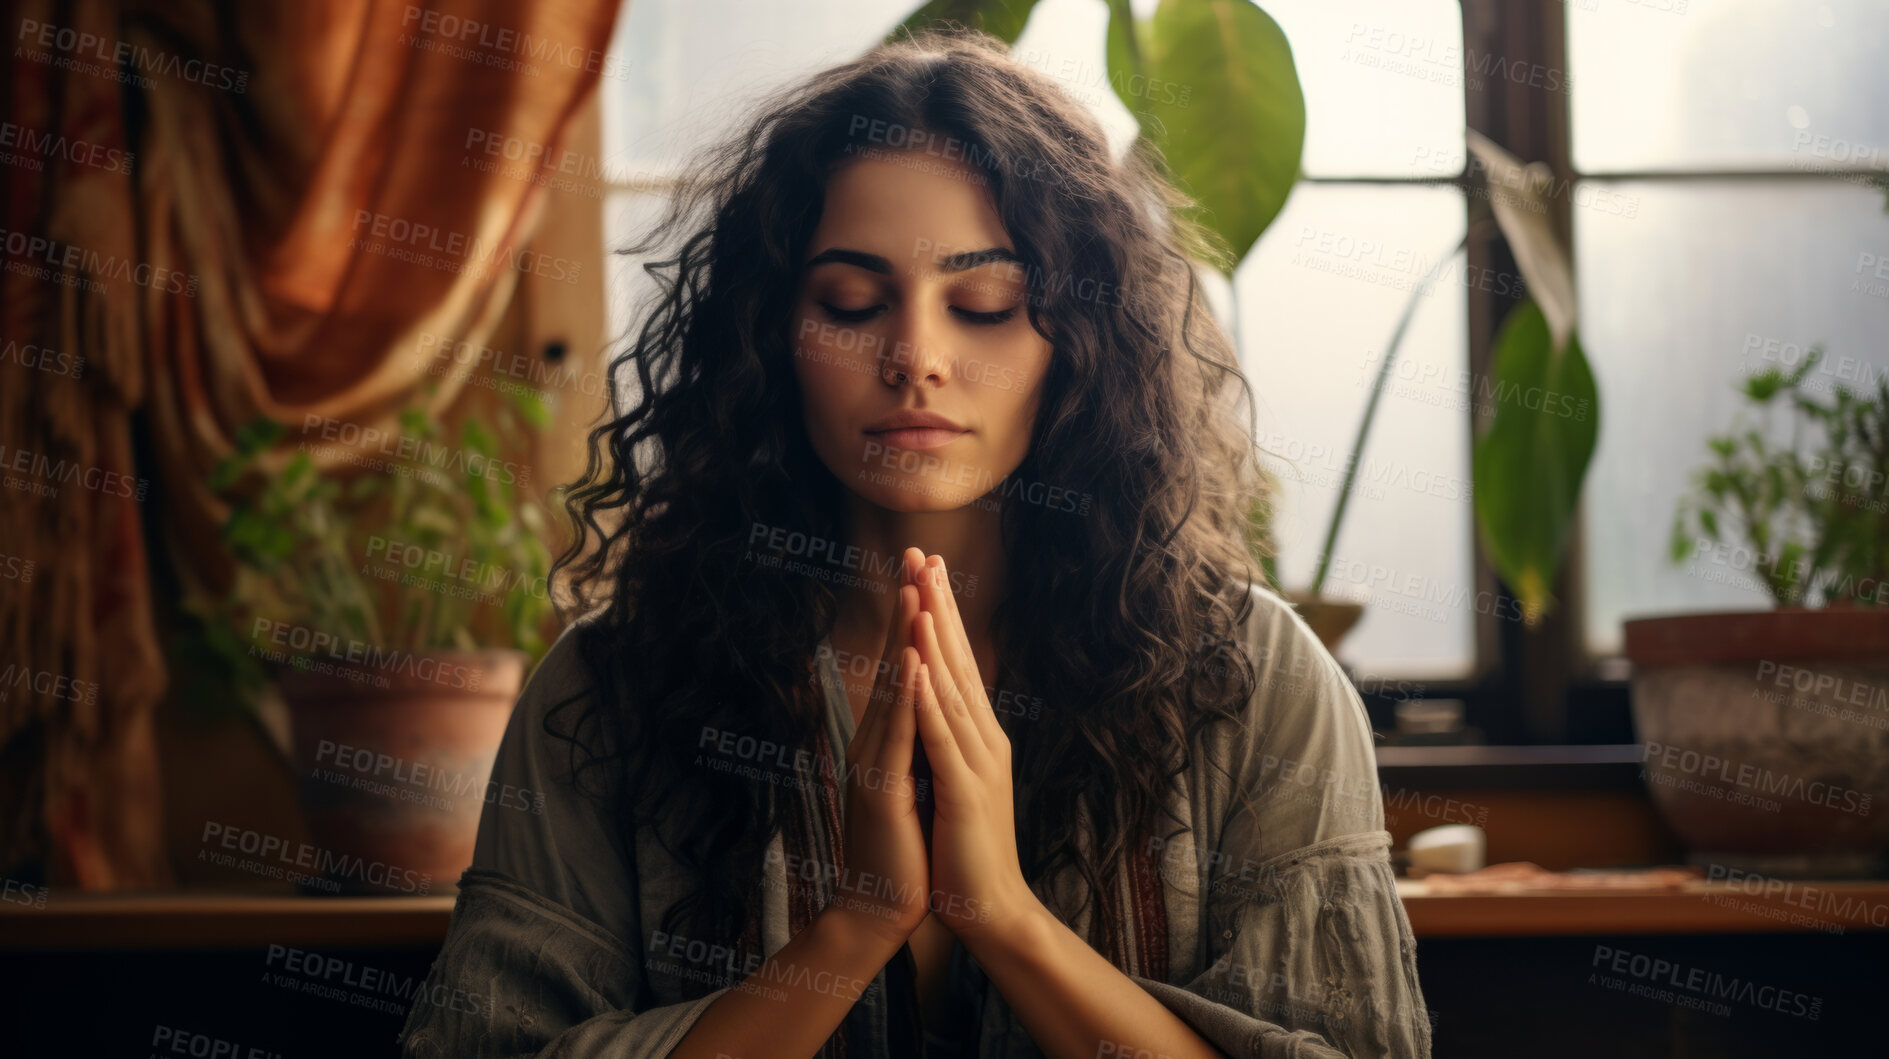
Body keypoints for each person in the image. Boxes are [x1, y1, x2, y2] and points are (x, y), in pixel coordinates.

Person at [399, 28, 1431, 1059]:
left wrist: (1003, 917)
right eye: (850, 303)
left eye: (984, 305)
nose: (915, 359)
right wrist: (853, 930)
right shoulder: (606, 693)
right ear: (769, 336)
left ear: (1078, 346)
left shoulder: (1257, 683)